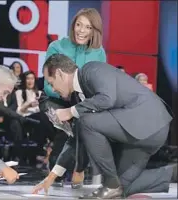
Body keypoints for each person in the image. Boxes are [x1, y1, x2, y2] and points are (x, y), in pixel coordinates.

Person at [32, 54, 175, 199]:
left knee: (87, 122)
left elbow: (106, 99)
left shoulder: (92, 70)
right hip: (139, 134)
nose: (53, 88)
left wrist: (69, 111)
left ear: (59, 74)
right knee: (121, 189)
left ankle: (110, 184)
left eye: (51, 82)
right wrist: (51, 176)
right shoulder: (79, 98)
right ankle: (173, 173)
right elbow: (77, 136)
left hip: (148, 120)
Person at [44, 8, 106, 187]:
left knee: (89, 125)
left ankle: (79, 169)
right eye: (79, 25)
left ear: (95, 30)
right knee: (66, 127)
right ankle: (56, 173)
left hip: (83, 101)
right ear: (73, 26)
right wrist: (67, 95)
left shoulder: (98, 52)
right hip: (55, 98)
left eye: (87, 27)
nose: (81, 30)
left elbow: (99, 84)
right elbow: (48, 84)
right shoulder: (57, 46)